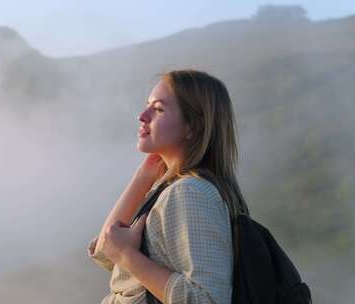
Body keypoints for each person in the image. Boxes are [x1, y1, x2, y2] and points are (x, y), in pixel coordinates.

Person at [87, 69, 250, 304]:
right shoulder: (171, 188)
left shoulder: (191, 192)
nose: (142, 116)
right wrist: (144, 176)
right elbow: (106, 253)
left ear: (192, 127)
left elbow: (208, 300)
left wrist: (128, 255)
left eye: (159, 109)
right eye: (147, 105)